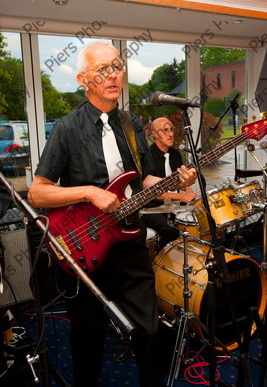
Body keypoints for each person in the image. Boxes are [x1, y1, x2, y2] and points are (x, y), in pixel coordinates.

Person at [28, 41, 197, 387]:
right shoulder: (67, 128)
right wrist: (90, 192)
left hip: (130, 244)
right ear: (83, 80)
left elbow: (145, 177)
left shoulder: (132, 122)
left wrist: (178, 183)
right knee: (88, 340)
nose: (112, 75)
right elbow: (37, 191)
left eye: (117, 66)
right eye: (102, 69)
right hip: (87, 249)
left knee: (149, 331)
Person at [143, 117, 197, 251]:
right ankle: (160, 258)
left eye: (171, 129)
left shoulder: (175, 154)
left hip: (172, 204)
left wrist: (188, 189)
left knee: (203, 218)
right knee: (170, 231)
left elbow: (181, 177)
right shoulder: (146, 157)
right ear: (154, 134)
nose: (171, 134)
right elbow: (152, 193)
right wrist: (182, 197)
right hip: (151, 208)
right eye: (165, 130)